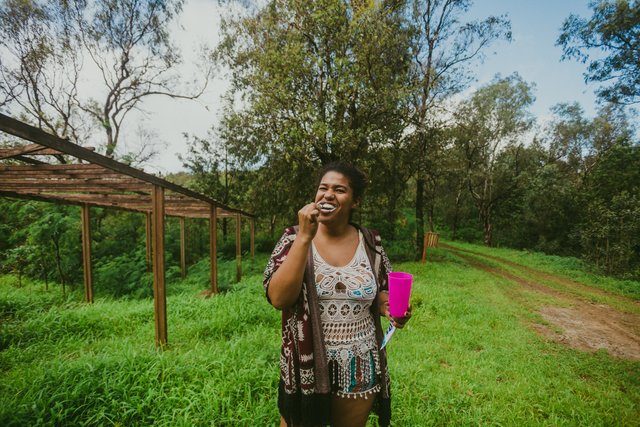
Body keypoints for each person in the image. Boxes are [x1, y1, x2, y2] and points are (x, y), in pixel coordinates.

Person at [263, 162, 412, 427]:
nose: (328, 194)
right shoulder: (292, 239)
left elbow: (380, 293)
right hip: (305, 366)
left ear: (355, 201)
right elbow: (279, 299)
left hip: (358, 364)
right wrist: (304, 239)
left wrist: (389, 307)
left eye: (339, 189)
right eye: (323, 188)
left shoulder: (370, 243)